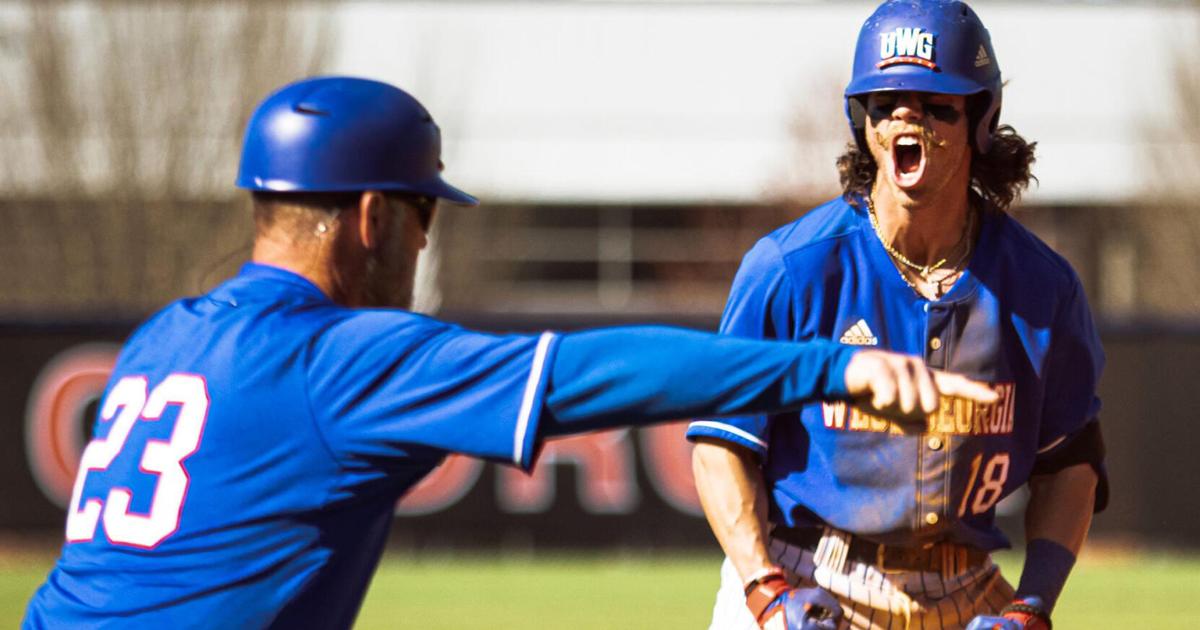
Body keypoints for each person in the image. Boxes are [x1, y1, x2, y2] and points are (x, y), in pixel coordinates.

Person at [22, 76, 996, 629]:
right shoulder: (339, 360)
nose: (423, 241)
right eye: (422, 215)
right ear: (372, 217)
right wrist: (832, 367)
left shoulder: (162, 339)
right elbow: (588, 376)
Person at [687, 2, 1108, 629]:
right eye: (885, 102)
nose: (907, 114)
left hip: (963, 582)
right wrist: (763, 588)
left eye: (937, 102)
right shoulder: (792, 269)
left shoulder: (1040, 288)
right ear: (864, 121)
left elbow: (1069, 462)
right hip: (801, 573)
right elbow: (721, 445)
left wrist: (1032, 605)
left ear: (981, 119)